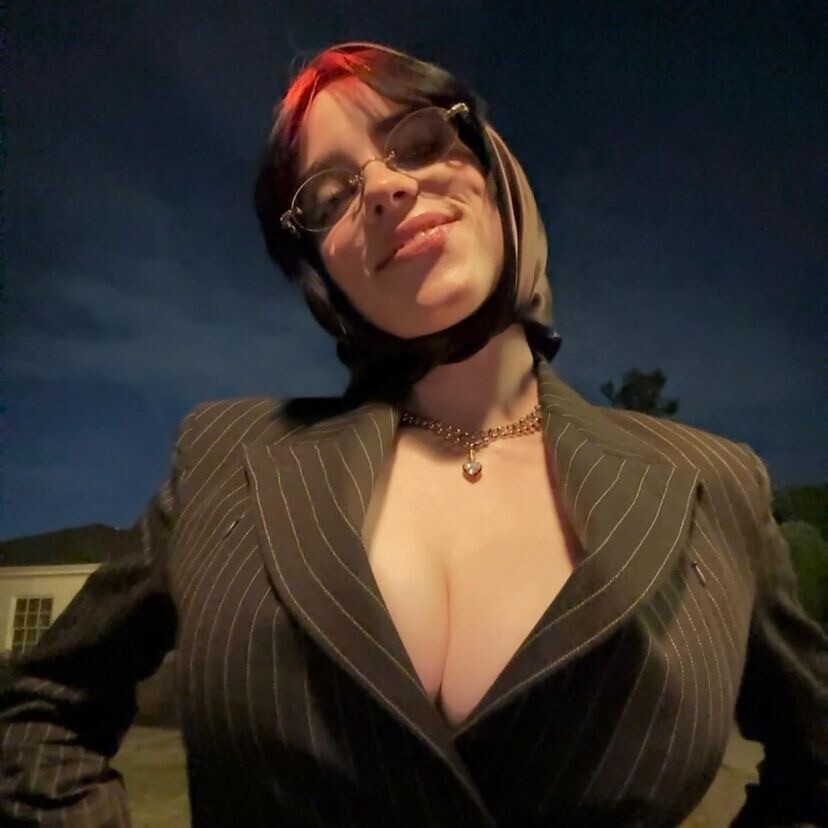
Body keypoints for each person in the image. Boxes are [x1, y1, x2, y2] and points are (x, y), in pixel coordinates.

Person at [1, 40, 826, 828]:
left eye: (422, 141)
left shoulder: (717, 484)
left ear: (494, 172)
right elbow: (36, 714)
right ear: (322, 272)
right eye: (329, 196)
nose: (387, 188)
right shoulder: (222, 459)